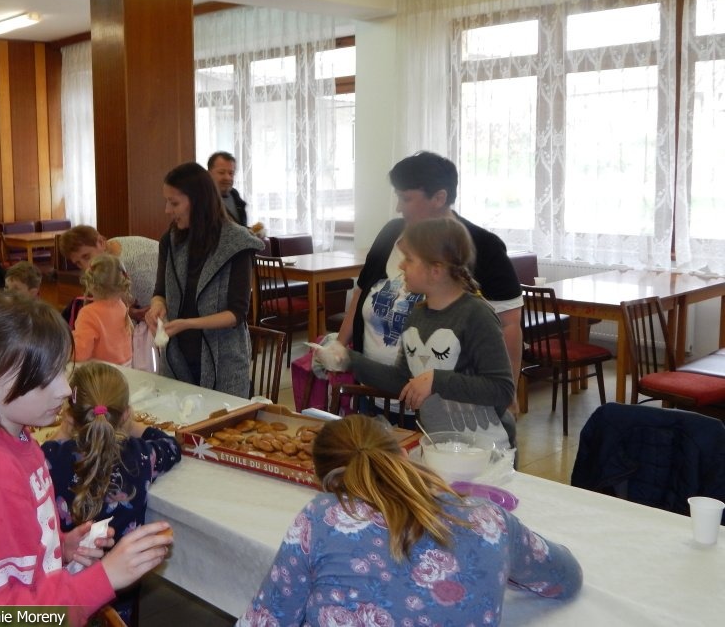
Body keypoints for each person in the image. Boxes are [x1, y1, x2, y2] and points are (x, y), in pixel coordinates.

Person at [0, 291, 173, 616]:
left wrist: (59, 545)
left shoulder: (5, 435)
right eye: (44, 380)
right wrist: (105, 577)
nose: (65, 390)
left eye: (61, 371)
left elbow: (10, 542)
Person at [238, 414, 582, 626]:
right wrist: (499, 563)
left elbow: (268, 620)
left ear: (325, 482)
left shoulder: (320, 517)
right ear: (404, 455)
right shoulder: (488, 520)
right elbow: (565, 579)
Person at [338, 151, 523, 387]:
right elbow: (360, 294)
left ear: (439, 198)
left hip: (445, 399)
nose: (398, 208)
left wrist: (508, 393)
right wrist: (339, 346)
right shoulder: (390, 234)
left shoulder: (483, 246)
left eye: (406, 199)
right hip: (372, 387)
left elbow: (508, 325)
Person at [340, 216, 516, 447]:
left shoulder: (476, 315)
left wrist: (436, 380)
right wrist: (348, 359)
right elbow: (403, 380)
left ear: (436, 270)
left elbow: (502, 389)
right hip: (440, 446)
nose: (401, 265)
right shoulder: (416, 315)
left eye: (409, 259)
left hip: (488, 451)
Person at [41, 362, 182, 623]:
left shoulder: (50, 456)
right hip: (120, 594)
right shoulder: (141, 455)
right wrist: (132, 425)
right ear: (125, 414)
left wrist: (62, 432)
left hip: (65, 594)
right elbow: (172, 446)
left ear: (70, 415)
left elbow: (39, 460)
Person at [145, 162, 263, 397]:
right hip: (177, 360)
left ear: (198, 201)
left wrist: (188, 323)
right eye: (167, 202)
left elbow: (236, 314)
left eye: (174, 203)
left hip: (224, 363)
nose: (167, 210)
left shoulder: (237, 243)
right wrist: (156, 306)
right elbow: (160, 292)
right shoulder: (171, 240)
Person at [59, 225, 159, 324]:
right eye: (78, 263)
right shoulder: (108, 250)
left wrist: (127, 313)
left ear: (101, 242)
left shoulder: (129, 266)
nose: (86, 266)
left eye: (86, 257)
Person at [72, 254, 133, 366]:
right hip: (128, 366)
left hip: (104, 371)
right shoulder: (121, 305)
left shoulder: (88, 313)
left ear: (91, 285)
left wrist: (63, 349)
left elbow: (80, 354)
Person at [207, 150, 247, 227]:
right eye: (221, 172)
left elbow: (239, 227)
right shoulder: (202, 201)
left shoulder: (235, 195)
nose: (227, 178)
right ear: (209, 174)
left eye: (231, 173)